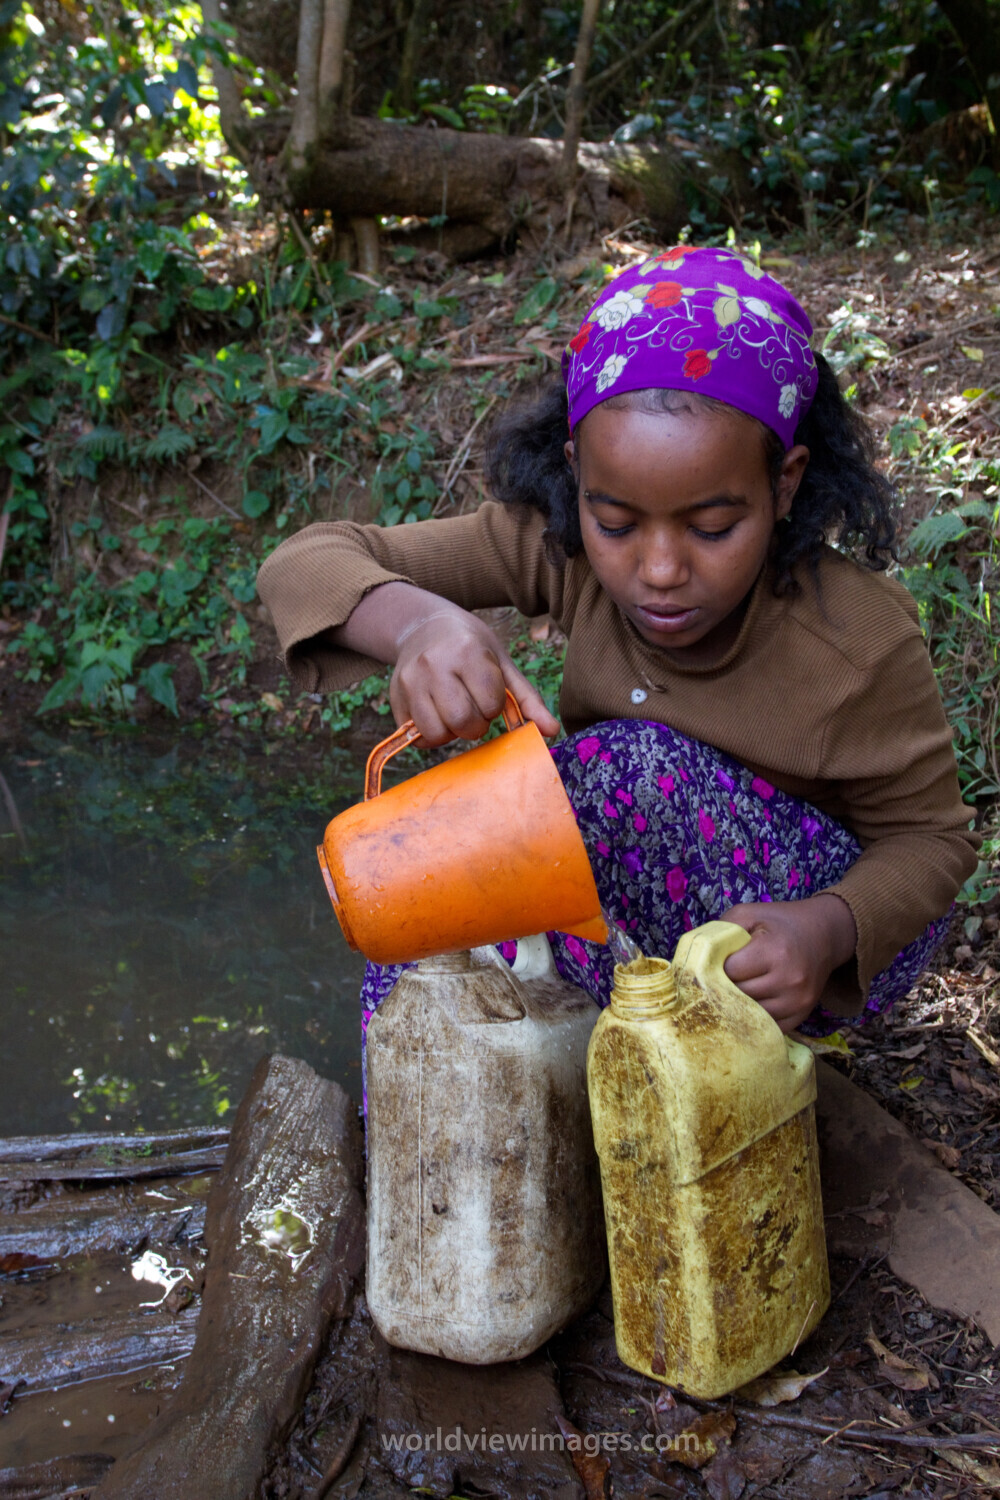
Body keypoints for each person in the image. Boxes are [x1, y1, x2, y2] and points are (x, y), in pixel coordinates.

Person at [257, 245, 980, 1103]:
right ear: (577, 476)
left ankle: (618, 1093)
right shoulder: (559, 549)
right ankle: (433, 1145)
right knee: (443, 880)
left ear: (784, 485)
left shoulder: (856, 638)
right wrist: (421, 624)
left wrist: (825, 930)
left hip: (787, 950)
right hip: (620, 906)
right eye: (616, 521)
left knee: (613, 774)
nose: (660, 567)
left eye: (713, 527)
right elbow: (305, 562)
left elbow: (933, 842)